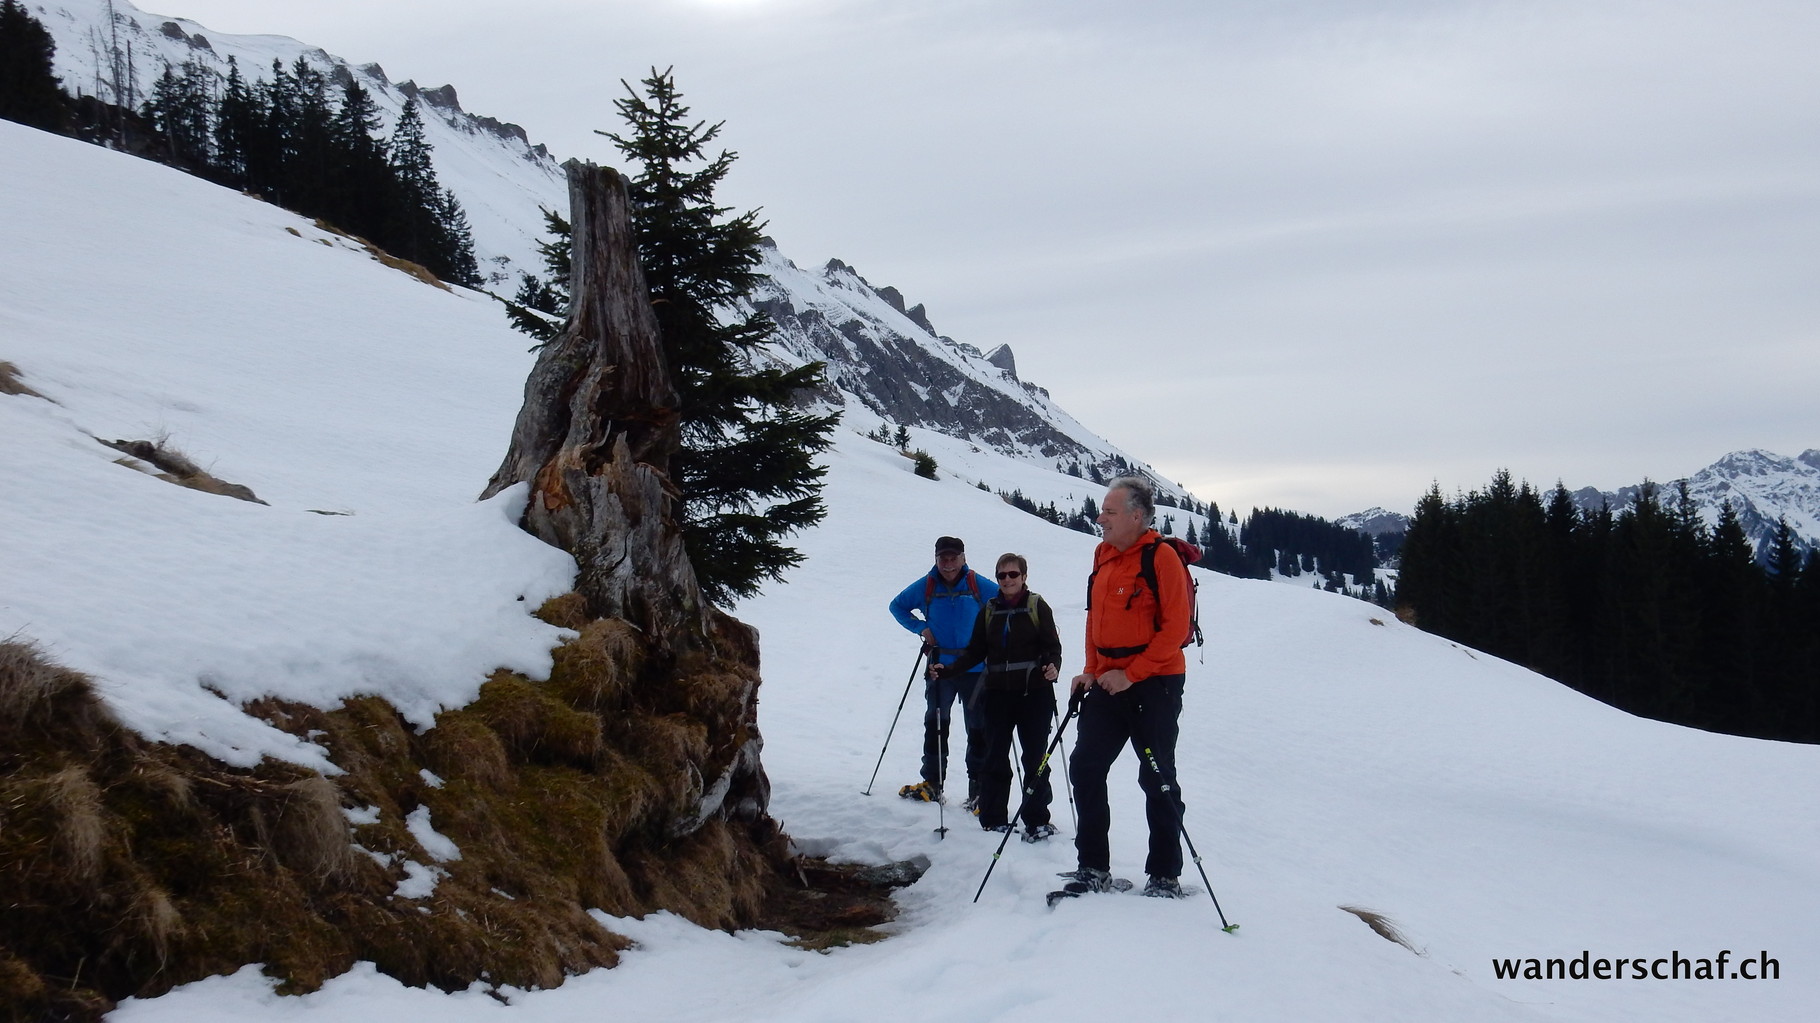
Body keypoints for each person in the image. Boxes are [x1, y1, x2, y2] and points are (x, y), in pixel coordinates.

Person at [1066, 476, 1193, 898]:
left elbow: (1175, 628)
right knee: (1085, 767)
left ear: (1136, 517)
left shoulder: (1161, 558)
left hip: (1155, 682)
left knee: (1156, 776)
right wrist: (1090, 668)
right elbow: (1094, 622)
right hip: (1107, 680)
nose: (1100, 518)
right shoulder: (1102, 556)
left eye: (1110, 512)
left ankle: (1164, 875)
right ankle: (1093, 868)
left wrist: (1131, 674)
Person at [932, 553, 1063, 840]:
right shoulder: (989, 610)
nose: (1007, 580)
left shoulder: (1037, 606)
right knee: (994, 758)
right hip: (998, 695)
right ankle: (993, 819)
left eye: (1012, 575)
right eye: (1001, 576)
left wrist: (1053, 667)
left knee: (1035, 759)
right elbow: (976, 651)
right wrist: (950, 670)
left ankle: (1037, 819)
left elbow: (1053, 647)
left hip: (1034, 694)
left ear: (1024, 577)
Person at [887, 536, 997, 805]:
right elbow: (897, 606)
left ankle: (979, 788)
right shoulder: (927, 585)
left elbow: (1005, 604)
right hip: (940, 666)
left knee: (978, 727)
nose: (948, 564)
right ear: (936, 559)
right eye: (943, 558)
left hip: (975, 667)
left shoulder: (976, 584)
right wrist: (920, 628)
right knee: (936, 724)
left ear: (963, 558)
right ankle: (934, 783)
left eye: (953, 558)